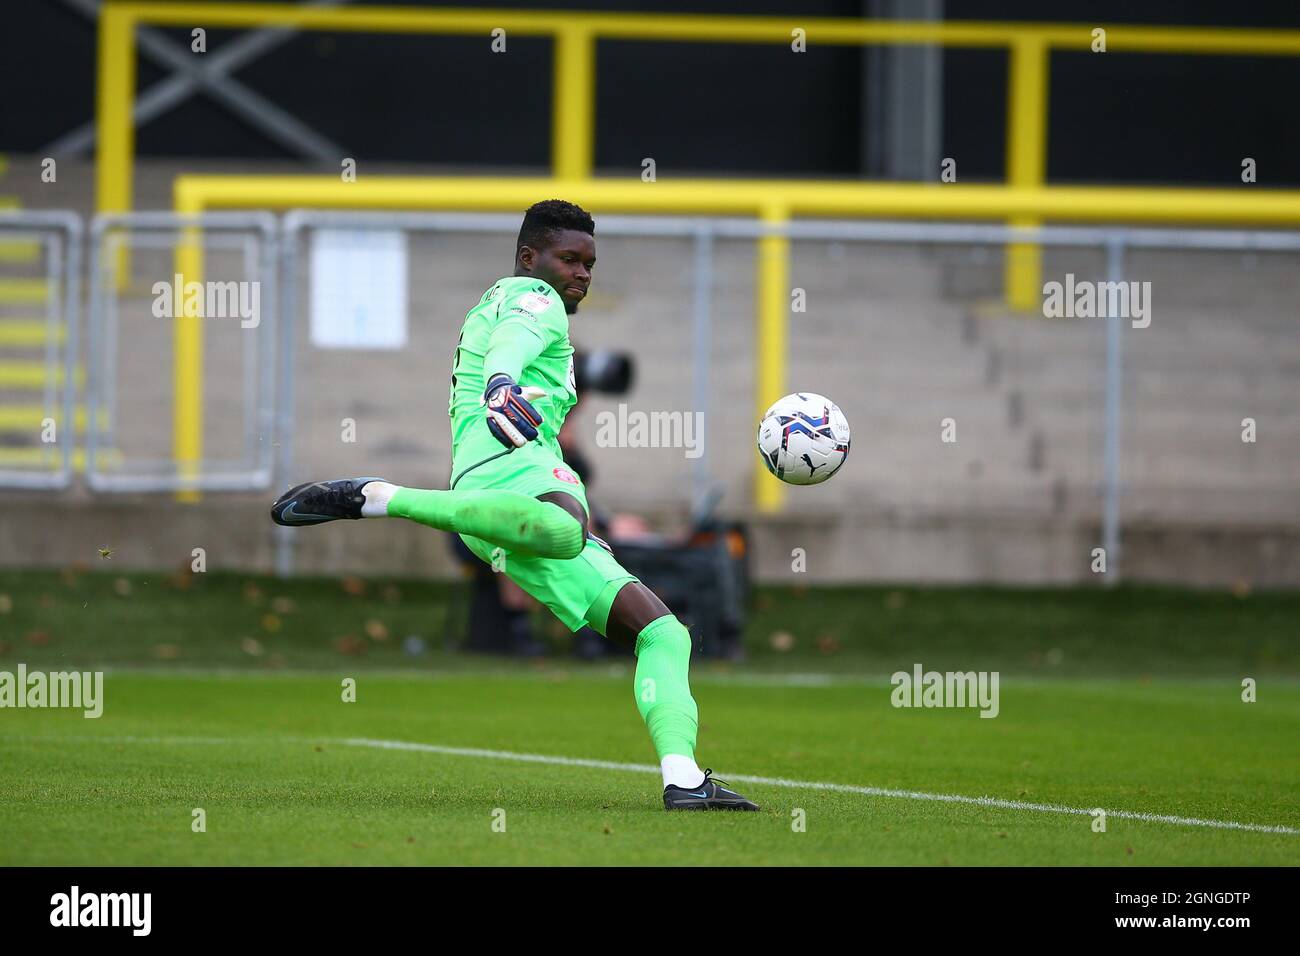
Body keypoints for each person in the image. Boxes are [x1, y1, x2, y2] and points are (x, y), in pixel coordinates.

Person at [271, 199, 758, 811]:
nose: (581, 273)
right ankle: (380, 497)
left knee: (662, 633)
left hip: (493, 503)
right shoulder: (534, 299)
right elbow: (512, 342)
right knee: (567, 530)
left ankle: (683, 779)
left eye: (589, 262)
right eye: (569, 259)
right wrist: (501, 383)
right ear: (530, 257)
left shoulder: (500, 301)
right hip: (515, 469)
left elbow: (509, 341)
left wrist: (506, 385)